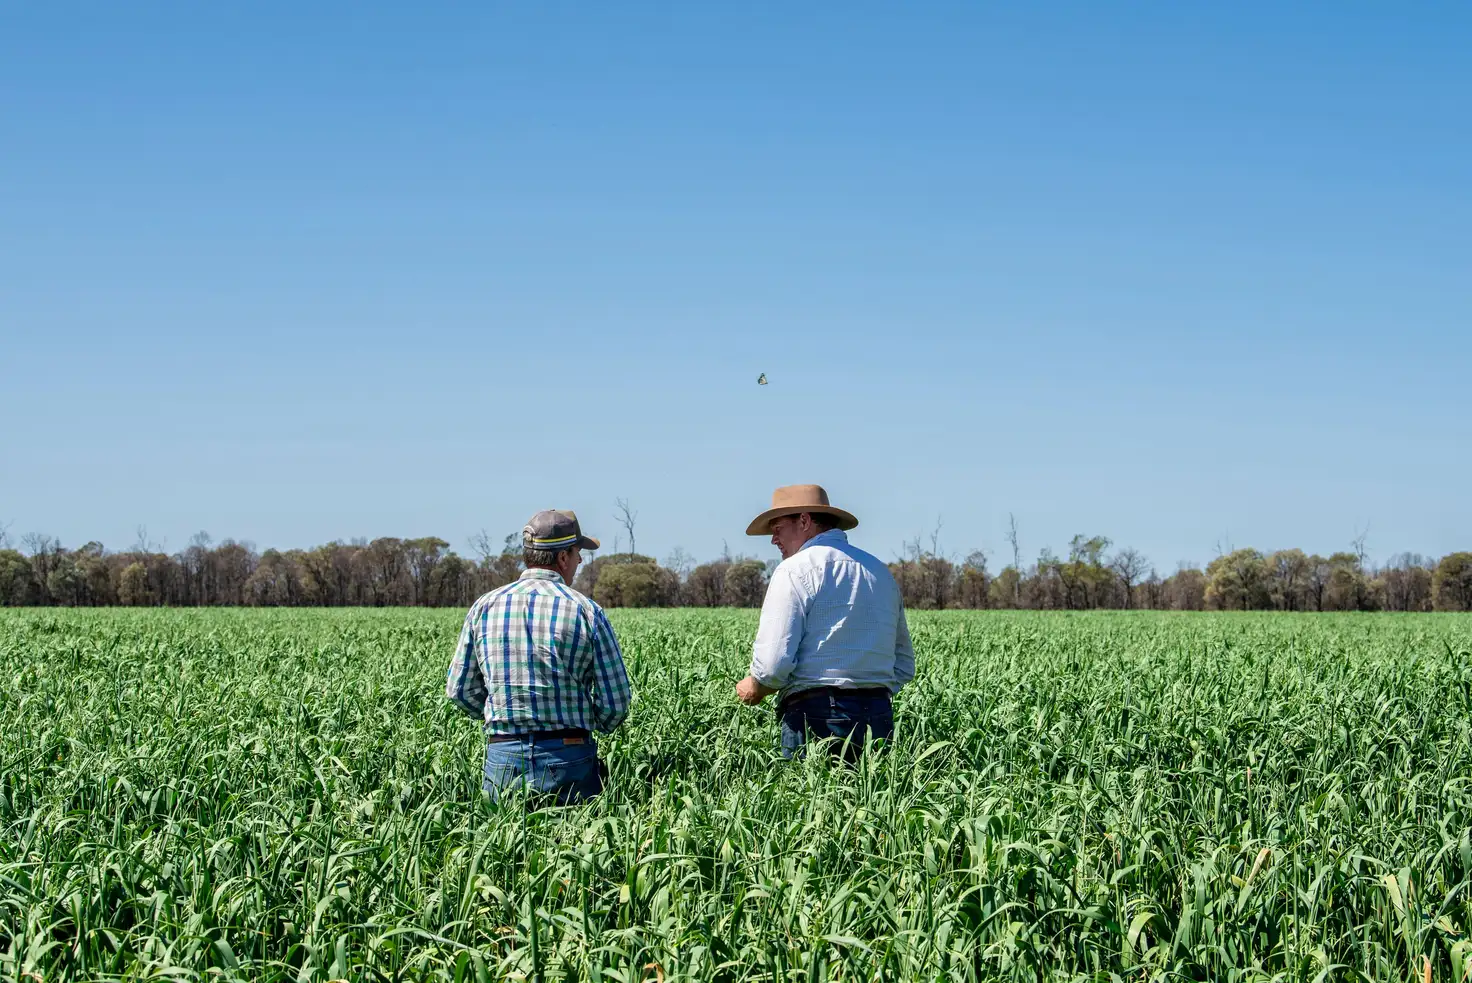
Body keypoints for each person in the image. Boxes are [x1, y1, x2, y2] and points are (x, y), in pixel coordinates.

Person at [446, 509, 632, 804]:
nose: (580, 560)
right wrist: (584, 723)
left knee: (504, 847)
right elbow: (616, 701)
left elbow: (459, 690)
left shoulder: (484, 606)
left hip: (503, 757)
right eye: (577, 552)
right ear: (562, 558)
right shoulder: (585, 610)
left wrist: (505, 715)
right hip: (570, 754)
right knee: (574, 845)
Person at [735, 484, 915, 760]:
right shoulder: (879, 572)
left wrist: (755, 686)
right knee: (870, 802)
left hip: (817, 718)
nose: (773, 539)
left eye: (778, 528)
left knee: (813, 802)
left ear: (804, 521)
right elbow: (903, 664)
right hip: (879, 716)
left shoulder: (794, 570)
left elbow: (773, 666)